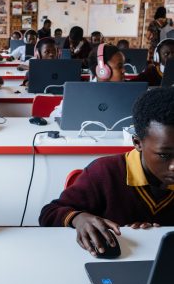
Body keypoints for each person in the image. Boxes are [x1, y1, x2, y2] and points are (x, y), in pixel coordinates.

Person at [40, 86, 174, 256]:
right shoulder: (104, 172)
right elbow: (48, 214)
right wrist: (79, 218)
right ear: (137, 143)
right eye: (164, 155)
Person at [50, 43, 125, 118]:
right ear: (102, 70)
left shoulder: (128, 92)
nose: (124, 70)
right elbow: (54, 116)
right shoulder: (78, 93)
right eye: (119, 66)